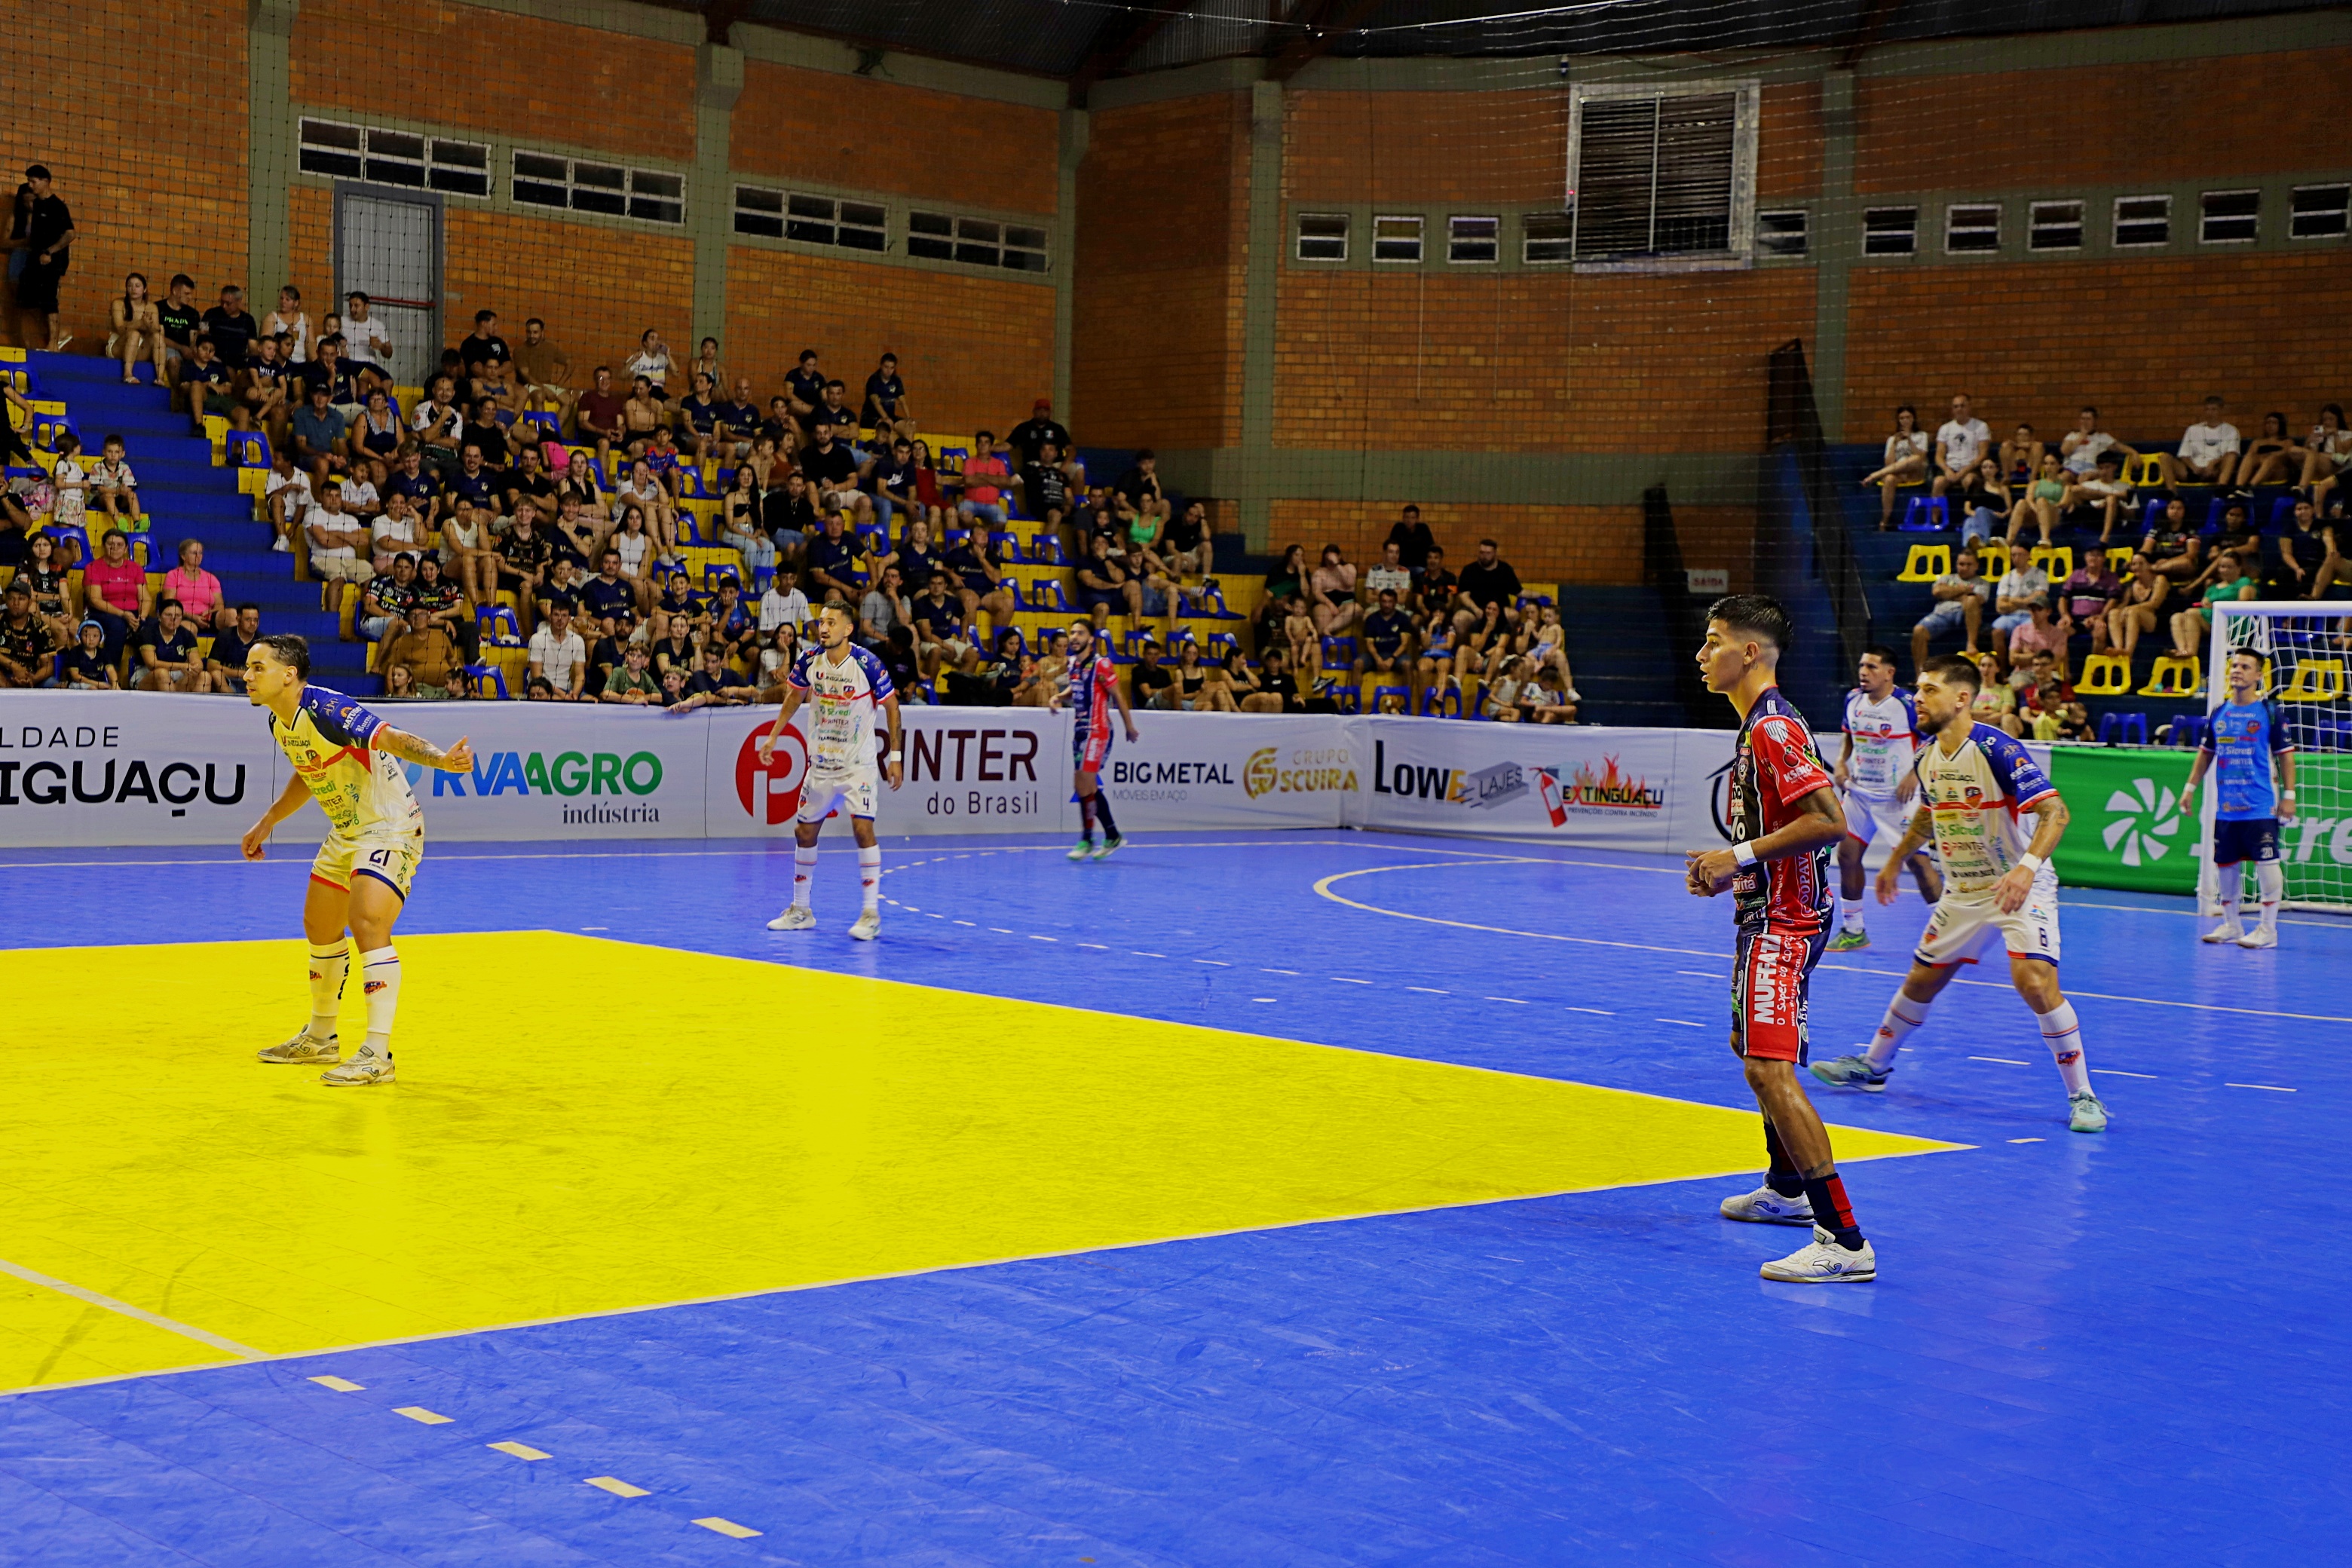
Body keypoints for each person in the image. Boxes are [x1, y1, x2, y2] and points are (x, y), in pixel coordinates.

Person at [1811, 655, 2107, 1135]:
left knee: (2034, 982)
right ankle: (1874, 1067)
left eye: (1930, 690)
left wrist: (2027, 869)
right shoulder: (1927, 756)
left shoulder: (1996, 748)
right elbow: (1929, 814)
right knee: (1921, 981)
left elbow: (2056, 813)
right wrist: (1895, 860)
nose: (1918, 698)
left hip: (2018, 883)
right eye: (1918, 689)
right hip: (1964, 890)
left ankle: (2084, 1095)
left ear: (1962, 698)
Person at [1683, 595, 1873, 1284]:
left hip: (1785, 922)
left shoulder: (1771, 728)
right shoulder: (1760, 726)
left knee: (1769, 1068)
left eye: (1713, 642)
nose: (1702, 655)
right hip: (1774, 909)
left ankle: (1844, 1241)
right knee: (1753, 1052)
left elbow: (1829, 821)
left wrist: (1736, 857)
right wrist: (1736, 871)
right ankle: (1786, 1189)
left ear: (1749, 653)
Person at [240, 635, 473, 1086]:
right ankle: (321, 1036)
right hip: (347, 831)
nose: (247, 676)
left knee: (367, 923)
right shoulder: (279, 722)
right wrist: (268, 821)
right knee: (319, 926)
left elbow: (391, 737)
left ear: (288, 675)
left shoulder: (327, 708)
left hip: (390, 826)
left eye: (257, 668)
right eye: (248, 667)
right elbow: (309, 770)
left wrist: (443, 761)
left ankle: (377, 1053)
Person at [756, 601, 903, 941]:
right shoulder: (809, 660)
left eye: (832, 623)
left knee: (862, 829)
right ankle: (801, 911)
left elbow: (893, 707)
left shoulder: (867, 664)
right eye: (822, 622)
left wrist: (895, 756)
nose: (823, 628)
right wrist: (774, 736)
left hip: (857, 765)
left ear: (848, 629)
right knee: (804, 834)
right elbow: (794, 696)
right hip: (821, 764)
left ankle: (870, 914)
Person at [1828, 646, 1942, 951]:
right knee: (1847, 856)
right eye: (1862, 666)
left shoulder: (1907, 704)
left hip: (1898, 799)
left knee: (1918, 863)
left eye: (1872, 667)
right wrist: (1840, 762)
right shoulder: (1853, 699)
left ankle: (1947, 934)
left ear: (1890, 673)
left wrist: (1914, 774)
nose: (1863, 672)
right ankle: (1854, 930)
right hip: (1860, 795)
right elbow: (1849, 735)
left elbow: (1933, 741)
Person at [2182, 649, 2295, 950]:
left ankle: (2268, 929)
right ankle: (2231, 924)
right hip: (2227, 809)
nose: (2237, 671)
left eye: (2245, 667)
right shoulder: (2220, 713)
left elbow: (2286, 757)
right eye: (2234, 665)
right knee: (2226, 865)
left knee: (2267, 865)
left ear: (2258, 675)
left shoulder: (2270, 713)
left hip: (2260, 806)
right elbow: (2205, 754)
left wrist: (2289, 795)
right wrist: (2190, 788)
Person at [1052, 617, 1141, 862]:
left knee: (1083, 783)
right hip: (1080, 730)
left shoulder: (1102, 665)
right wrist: (1059, 697)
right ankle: (1112, 835)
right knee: (1086, 787)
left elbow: (1118, 696)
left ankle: (1087, 839)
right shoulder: (1073, 664)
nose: (1074, 637)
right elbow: (1075, 689)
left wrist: (1129, 726)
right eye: (1072, 632)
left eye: (1080, 633)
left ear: (1091, 639)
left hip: (1098, 731)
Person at [14, 166, 73, 351]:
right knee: (24, 300)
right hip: (35, 259)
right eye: (29, 181)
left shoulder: (57, 206)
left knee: (48, 299)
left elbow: (70, 234)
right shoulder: (36, 205)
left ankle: (54, 343)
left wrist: (50, 252)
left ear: (45, 181)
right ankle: (29, 344)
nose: (30, 185)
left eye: (33, 181)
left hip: (51, 261)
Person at [1909, 547, 1988, 667]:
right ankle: (1921, 673)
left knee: (1972, 601)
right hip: (1942, 615)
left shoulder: (1982, 583)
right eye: (1961, 564)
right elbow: (1937, 591)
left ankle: (1971, 644)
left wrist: (1949, 593)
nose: (1965, 568)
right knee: (1918, 630)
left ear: (1976, 566)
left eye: (1969, 564)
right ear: (1956, 564)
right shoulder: (1947, 578)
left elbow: (1978, 599)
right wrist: (1964, 590)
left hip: (1965, 616)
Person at [1861, 405, 1928, 528]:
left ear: (1913, 419)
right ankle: (1885, 520)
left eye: (1908, 417)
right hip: (1898, 473)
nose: (1905, 421)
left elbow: (1921, 458)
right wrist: (1894, 444)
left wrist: (1910, 440)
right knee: (1889, 479)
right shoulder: (1892, 439)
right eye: (1902, 418)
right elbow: (1889, 464)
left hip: (1915, 472)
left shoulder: (1922, 435)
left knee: (1915, 459)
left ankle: (1875, 475)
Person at [2158, 396, 2241, 490]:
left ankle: (2220, 490)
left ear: (2221, 411)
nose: (2210, 413)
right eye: (2207, 409)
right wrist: (2194, 468)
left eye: (2214, 410)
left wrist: (2214, 463)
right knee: (2164, 458)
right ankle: (2173, 494)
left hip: (2216, 470)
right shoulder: (2193, 429)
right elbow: (2184, 455)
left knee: (2231, 457)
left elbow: (2232, 454)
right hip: (2194, 469)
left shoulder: (2231, 431)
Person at [1930, 394, 1990, 501]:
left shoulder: (1981, 426)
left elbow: (1983, 454)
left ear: (1969, 407)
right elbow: (1939, 456)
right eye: (1956, 406)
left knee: (1969, 481)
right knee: (1938, 482)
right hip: (1951, 468)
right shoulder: (1945, 428)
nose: (1959, 409)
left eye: (1962, 406)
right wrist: (1947, 470)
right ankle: (1935, 513)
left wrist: (1962, 472)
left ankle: (1968, 511)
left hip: (1971, 468)